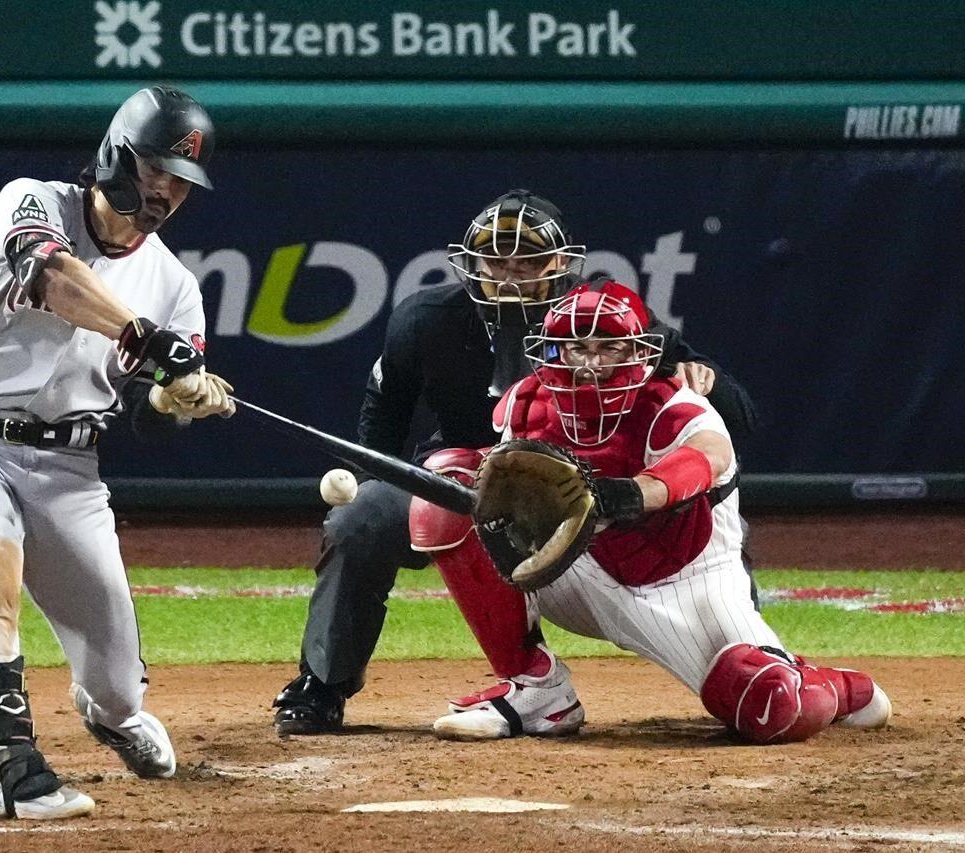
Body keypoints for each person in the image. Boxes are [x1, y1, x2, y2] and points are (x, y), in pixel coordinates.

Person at [272, 190, 759, 735]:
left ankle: (751, 653)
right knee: (360, 517)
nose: (509, 277)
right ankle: (323, 683)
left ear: (561, 264)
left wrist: (703, 379)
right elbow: (381, 421)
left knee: (708, 517)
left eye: (527, 261)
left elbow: (734, 428)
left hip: (590, 489)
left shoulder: (599, 317)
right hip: (460, 480)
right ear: (470, 265)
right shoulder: (425, 320)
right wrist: (369, 488)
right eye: (496, 261)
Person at [0, 85, 234, 820]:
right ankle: (7, 763)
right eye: (156, 171)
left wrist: (174, 399)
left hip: (70, 472)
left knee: (119, 687)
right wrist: (150, 340)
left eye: (181, 182)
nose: (165, 193)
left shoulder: (175, 285)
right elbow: (53, 277)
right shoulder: (33, 201)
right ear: (118, 155)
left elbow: (150, 415)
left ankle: (111, 712)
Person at [411, 284, 890, 743]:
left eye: (608, 348)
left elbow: (710, 456)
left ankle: (838, 687)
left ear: (639, 351)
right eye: (576, 348)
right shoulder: (526, 404)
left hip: (686, 581)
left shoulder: (675, 405)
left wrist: (636, 493)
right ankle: (537, 690)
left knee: (770, 704)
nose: (590, 364)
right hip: (580, 567)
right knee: (447, 490)